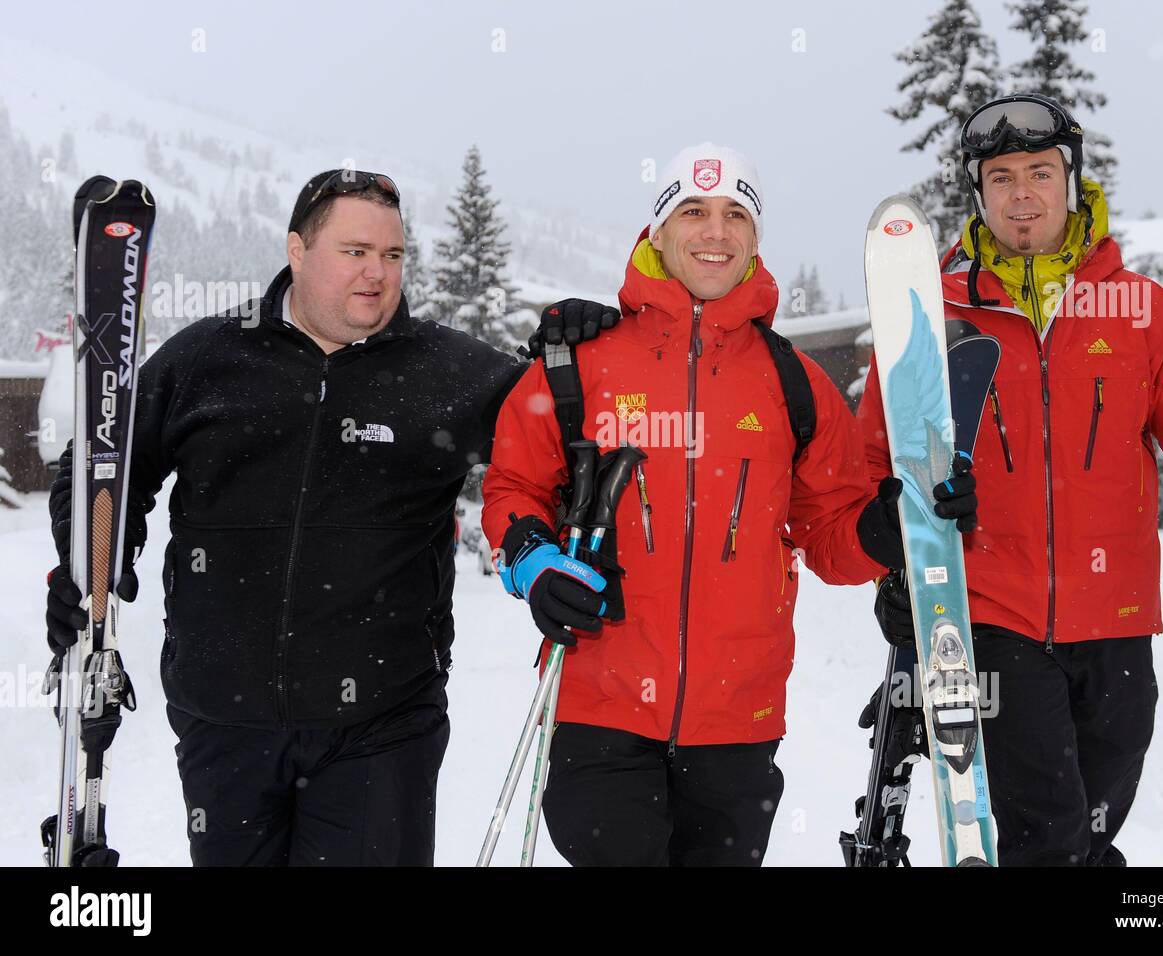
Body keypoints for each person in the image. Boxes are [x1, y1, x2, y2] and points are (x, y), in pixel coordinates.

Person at [44, 168, 609, 866]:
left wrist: (583, 352)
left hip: (382, 724)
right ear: (297, 250)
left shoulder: (447, 370)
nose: (377, 273)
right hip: (223, 717)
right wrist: (91, 567)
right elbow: (103, 458)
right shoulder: (209, 358)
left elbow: (562, 448)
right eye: (355, 252)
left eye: (393, 255)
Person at [480, 143, 975, 866]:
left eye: (735, 214)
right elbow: (512, 486)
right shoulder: (579, 362)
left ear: (755, 236)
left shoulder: (793, 383)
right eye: (693, 211)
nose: (716, 231)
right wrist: (535, 562)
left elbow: (831, 535)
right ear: (658, 231)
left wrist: (889, 525)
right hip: (599, 699)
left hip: (737, 719)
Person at [856, 93, 1163, 866]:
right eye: (1000, 178)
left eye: (1038, 173)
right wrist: (893, 532)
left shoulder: (1139, 312)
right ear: (979, 194)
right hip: (991, 619)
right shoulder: (935, 313)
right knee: (1045, 838)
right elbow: (869, 473)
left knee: (1091, 831)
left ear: (1071, 181)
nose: (1021, 195)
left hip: (1118, 625)